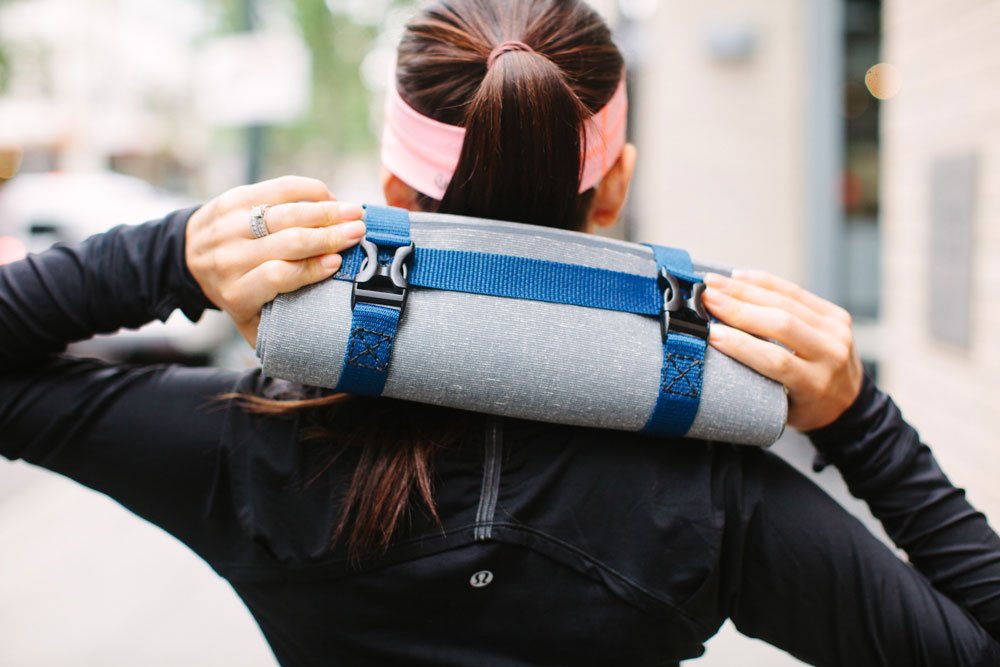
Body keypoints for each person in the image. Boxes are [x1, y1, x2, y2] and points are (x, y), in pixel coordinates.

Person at [2, 0, 999, 665]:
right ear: (613, 186)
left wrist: (173, 254)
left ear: (395, 192)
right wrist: (857, 419)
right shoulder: (712, 493)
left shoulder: (252, 443)